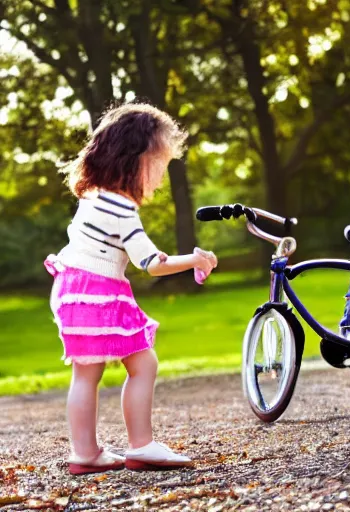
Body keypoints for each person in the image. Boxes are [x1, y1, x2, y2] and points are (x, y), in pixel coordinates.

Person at [44, 103, 217, 475]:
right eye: (159, 166)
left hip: (71, 289)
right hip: (100, 295)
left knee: (85, 374)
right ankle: (142, 445)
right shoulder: (123, 210)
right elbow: (151, 263)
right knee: (144, 363)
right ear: (137, 160)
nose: (160, 178)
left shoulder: (90, 195)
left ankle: (85, 453)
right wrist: (196, 260)